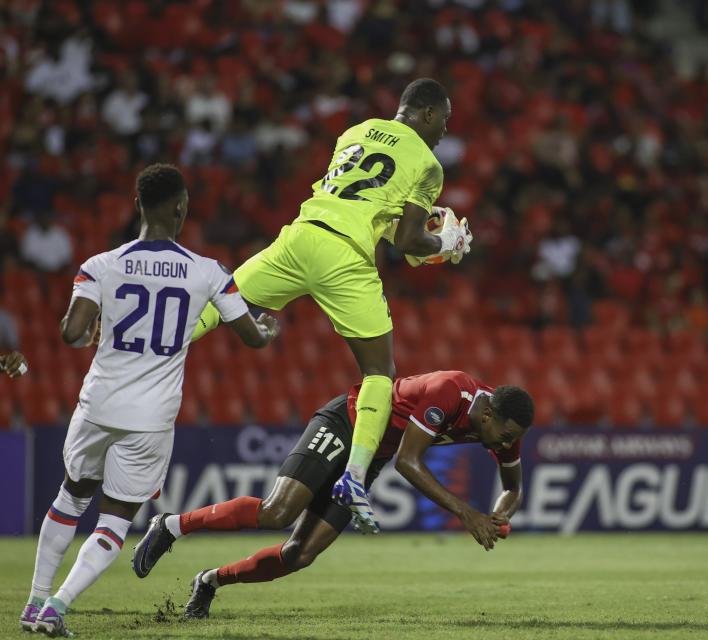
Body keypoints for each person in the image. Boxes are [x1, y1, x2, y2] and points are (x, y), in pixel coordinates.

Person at [189, 78, 473, 534]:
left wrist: (425, 244)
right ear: (426, 113)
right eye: (444, 119)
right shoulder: (428, 163)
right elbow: (407, 241)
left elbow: (365, 209)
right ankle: (355, 478)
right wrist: (447, 240)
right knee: (380, 373)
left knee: (221, 299)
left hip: (301, 236)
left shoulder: (354, 132)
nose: (444, 130)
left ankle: (155, 346)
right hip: (344, 257)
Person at [20, 164, 280, 636]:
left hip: (97, 405)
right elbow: (252, 338)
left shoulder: (100, 265)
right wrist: (266, 330)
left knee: (69, 497)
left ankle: (35, 600)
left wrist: (92, 328)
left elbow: (71, 333)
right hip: (151, 418)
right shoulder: (209, 272)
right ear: (181, 208)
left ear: (137, 205)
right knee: (114, 520)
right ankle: (58, 605)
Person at [131, 370, 534, 619]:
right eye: (506, 435)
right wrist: (467, 514)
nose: (506, 444)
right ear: (486, 417)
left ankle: (209, 582)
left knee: (299, 555)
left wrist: (499, 515)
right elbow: (409, 461)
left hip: (371, 457)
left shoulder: (501, 425)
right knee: (277, 512)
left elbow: (513, 486)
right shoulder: (451, 391)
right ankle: (169, 525)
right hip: (348, 423)